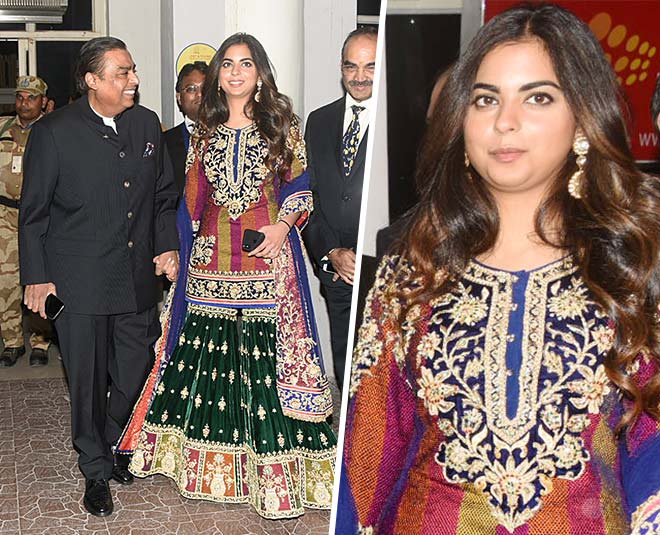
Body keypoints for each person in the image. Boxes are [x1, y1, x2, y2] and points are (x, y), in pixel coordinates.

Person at [340, 4, 660, 534]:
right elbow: (365, 462)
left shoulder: (632, 269)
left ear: (582, 119)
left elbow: (651, 445)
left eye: (537, 97)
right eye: (486, 99)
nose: (504, 121)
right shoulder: (413, 273)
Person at [117, 33, 336, 520]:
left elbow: (301, 185)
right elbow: (191, 202)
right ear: (218, 75)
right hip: (210, 263)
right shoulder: (204, 133)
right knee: (208, 358)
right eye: (229, 64)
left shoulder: (281, 126)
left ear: (260, 73)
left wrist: (283, 227)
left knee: (265, 361)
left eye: (246, 64)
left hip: (266, 259)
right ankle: (200, 464)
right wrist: (177, 251)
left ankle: (273, 471)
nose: (236, 72)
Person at [18, 37, 179, 517]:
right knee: (86, 381)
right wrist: (38, 277)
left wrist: (167, 244)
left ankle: (110, 441)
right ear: (92, 80)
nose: (133, 80)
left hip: (135, 277)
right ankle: (94, 468)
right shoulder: (54, 133)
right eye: (122, 73)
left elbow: (163, 196)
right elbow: (34, 214)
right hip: (78, 281)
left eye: (132, 70)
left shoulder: (146, 124)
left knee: (135, 369)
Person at [303, 26, 377, 390]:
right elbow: (308, 198)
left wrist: (366, 254)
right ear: (341, 68)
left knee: (382, 378)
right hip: (336, 272)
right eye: (352, 66)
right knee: (346, 368)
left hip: (382, 268)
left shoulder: (399, 120)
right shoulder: (318, 122)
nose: (359, 76)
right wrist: (331, 251)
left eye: (370, 66)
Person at [0, 75, 53, 367]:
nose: (25, 103)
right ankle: (11, 341)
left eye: (32, 98)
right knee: (5, 281)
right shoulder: (2, 128)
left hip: (40, 217)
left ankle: (40, 341)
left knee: (39, 277)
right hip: (5, 217)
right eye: (20, 97)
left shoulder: (53, 130)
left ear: (43, 101)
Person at [165, 61, 208, 202]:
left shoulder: (230, 137)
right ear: (179, 97)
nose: (200, 94)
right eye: (191, 89)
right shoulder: (164, 142)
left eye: (205, 89)